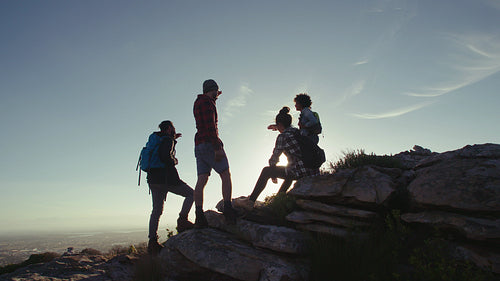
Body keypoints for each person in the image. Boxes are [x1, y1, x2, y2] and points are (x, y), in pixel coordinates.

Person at [239, 107, 320, 209]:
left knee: (266, 171)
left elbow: (274, 158)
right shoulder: (298, 132)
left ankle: (250, 202)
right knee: (289, 171)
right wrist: (278, 127)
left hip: (301, 172)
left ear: (280, 125)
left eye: (278, 125)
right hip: (313, 171)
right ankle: (277, 201)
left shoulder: (283, 137)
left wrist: (273, 173)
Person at [193, 79, 237, 227]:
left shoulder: (198, 102)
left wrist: (215, 95)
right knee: (225, 174)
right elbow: (210, 126)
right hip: (209, 143)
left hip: (199, 145)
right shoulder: (207, 102)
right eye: (215, 91)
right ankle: (228, 209)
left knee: (202, 179)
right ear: (210, 90)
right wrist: (217, 147)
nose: (216, 95)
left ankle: (199, 216)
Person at [146, 120, 194, 255]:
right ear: (168, 128)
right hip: (167, 179)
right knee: (192, 194)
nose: (174, 129)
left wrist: (173, 139)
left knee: (156, 211)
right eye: (172, 127)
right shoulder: (167, 140)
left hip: (153, 180)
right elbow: (165, 157)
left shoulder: (155, 139)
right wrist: (175, 160)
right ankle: (182, 220)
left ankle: (152, 242)